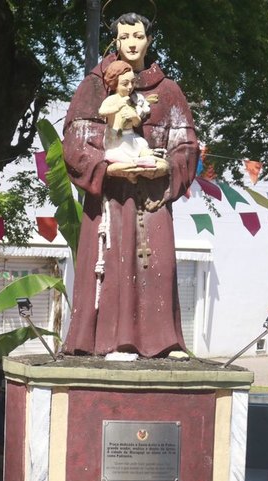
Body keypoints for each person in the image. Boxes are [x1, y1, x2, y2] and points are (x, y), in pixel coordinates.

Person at [61, 12, 199, 358]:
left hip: (152, 199)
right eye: (125, 37)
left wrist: (167, 165)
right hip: (110, 199)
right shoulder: (95, 86)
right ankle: (106, 341)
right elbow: (76, 143)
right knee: (111, 266)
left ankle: (163, 341)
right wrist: (109, 169)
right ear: (116, 41)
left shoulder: (168, 90)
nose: (132, 43)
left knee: (159, 265)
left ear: (149, 39)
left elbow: (187, 144)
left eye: (138, 36)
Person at [99, 59, 160, 169]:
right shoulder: (113, 99)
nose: (130, 87)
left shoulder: (132, 100)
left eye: (132, 82)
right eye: (125, 84)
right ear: (115, 83)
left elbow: (136, 124)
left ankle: (141, 160)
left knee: (142, 145)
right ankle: (131, 164)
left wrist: (134, 116)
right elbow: (102, 111)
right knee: (123, 154)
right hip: (117, 138)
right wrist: (117, 107)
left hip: (130, 135)